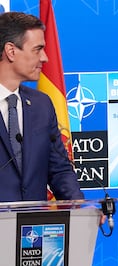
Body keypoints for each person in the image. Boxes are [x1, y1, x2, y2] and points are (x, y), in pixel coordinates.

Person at [0, 11, 84, 202]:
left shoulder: (41, 105)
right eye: (37, 49)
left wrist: (79, 207)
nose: (45, 58)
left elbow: (60, 169)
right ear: (11, 51)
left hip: (33, 228)